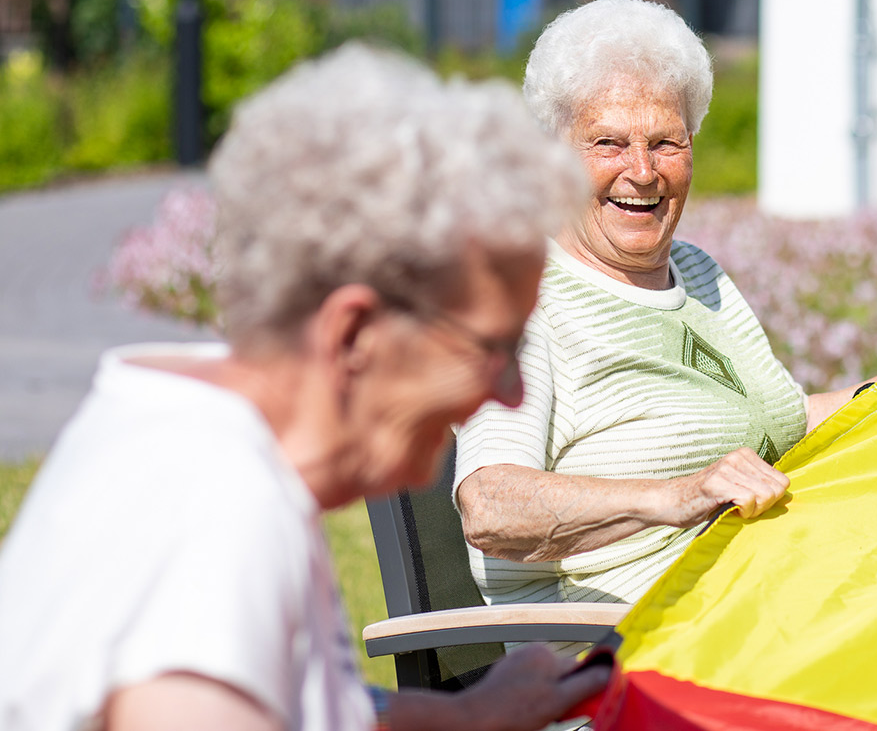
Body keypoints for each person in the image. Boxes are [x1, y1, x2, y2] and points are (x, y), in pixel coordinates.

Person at [0, 44, 608, 730]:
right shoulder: (222, 515)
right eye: (494, 348)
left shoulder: (174, 415)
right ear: (352, 334)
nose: (512, 392)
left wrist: (468, 716)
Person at [454, 0, 877, 608]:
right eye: (610, 143)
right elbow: (490, 504)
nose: (643, 172)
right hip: (623, 656)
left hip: (760, 611)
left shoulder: (696, 273)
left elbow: (786, 421)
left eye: (667, 142)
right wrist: (677, 496)